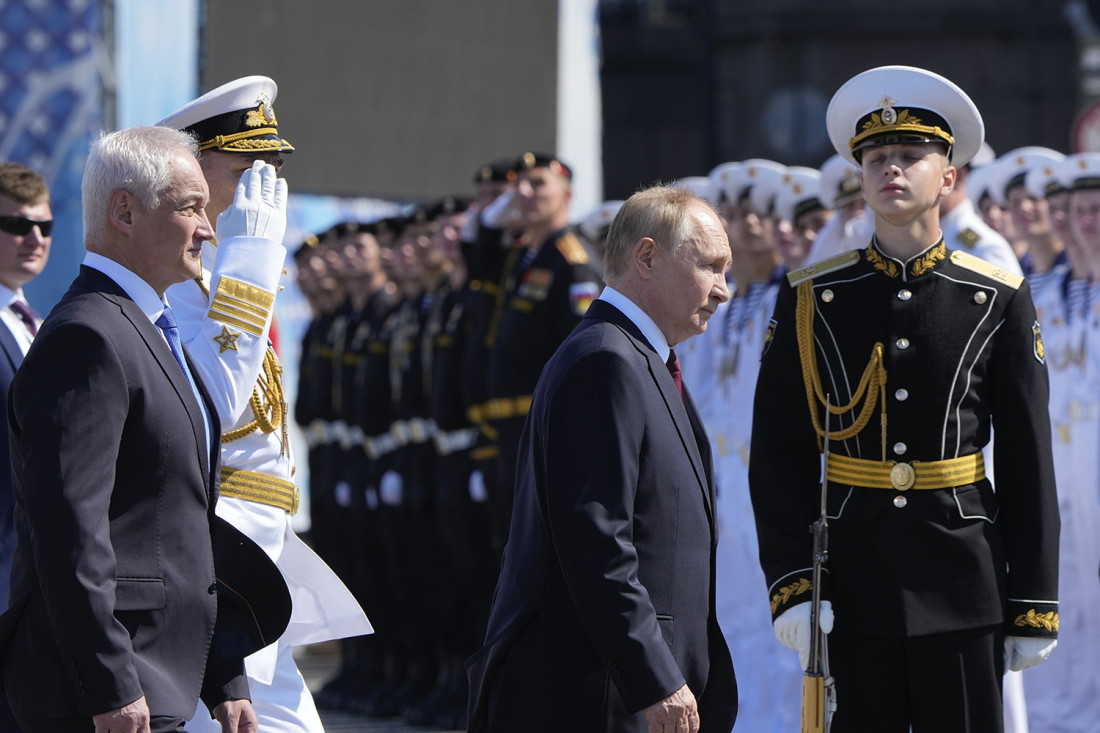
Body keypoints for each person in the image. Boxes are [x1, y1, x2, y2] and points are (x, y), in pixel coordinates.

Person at [750, 66, 1060, 732]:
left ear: (948, 177)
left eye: (910, 156)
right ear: (859, 177)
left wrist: (1033, 598)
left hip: (964, 578)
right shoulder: (812, 298)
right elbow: (779, 452)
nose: (891, 168)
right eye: (877, 158)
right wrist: (793, 587)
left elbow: (1031, 458)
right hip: (854, 578)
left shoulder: (995, 296)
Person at [0, 125, 290, 733]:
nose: (208, 229)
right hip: (109, 690)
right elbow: (71, 532)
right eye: (190, 208)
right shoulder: (89, 336)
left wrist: (223, 675)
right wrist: (109, 683)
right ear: (124, 211)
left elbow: (178, 514)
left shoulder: (148, 327)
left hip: (162, 673)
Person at [467, 185, 738, 733]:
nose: (723, 291)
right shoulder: (606, 361)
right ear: (646, 257)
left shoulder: (637, 357)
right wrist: (652, 674)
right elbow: (598, 539)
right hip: (601, 695)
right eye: (710, 267)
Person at [157, 76, 372, 733]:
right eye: (248, 172)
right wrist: (248, 257)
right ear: (193, 175)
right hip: (216, 550)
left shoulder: (229, 277)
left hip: (263, 544)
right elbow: (218, 406)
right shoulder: (177, 287)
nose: (265, 190)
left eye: (274, 171)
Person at [0, 162, 52, 733]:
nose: (33, 239)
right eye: (14, 225)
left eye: (43, 226)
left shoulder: (26, 317)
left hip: (26, 573)